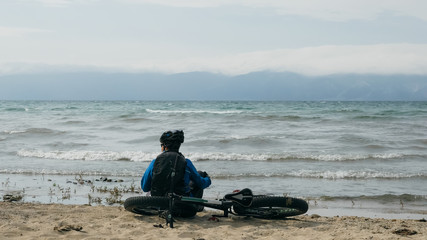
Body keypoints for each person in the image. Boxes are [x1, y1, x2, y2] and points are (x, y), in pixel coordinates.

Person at [141, 130, 211, 217]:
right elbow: (201, 184)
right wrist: (208, 179)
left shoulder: (155, 162)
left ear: (164, 146)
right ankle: (198, 206)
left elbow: (144, 187)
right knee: (200, 175)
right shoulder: (186, 162)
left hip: (158, 203)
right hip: (181, 204)